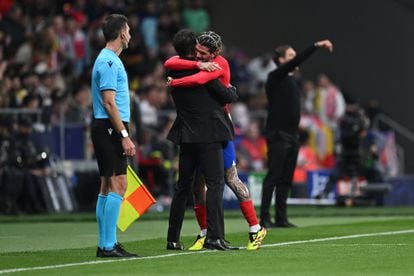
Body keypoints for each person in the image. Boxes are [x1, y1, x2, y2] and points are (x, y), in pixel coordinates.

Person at [165, 31, 266, 250]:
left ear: (214, 52)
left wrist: (176, 83)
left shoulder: (218, 63)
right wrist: (197, 66)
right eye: (197, 51)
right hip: (202, 131)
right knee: (197, 185)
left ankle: (255, 227)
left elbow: (212, 85)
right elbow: (171, 61)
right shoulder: (192, 62)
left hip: (219, 127)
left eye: (203, 53)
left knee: (230, 178)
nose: (199, 56)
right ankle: (204, 233)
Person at [260, 40, 333, 228]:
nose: (295, 59)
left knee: (286, 178)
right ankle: (264, 218)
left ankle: (281, 218)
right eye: (291, 56)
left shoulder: (291, 81)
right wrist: (315, 46)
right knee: (274, 176)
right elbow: (294, 63)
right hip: (278, 134)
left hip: (292, 136)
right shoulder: (275, 76)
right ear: (281, 60)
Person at [90, 14, 138, 258]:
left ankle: (106, 243)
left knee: (107, 184)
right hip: (109, 128)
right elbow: (109, 103)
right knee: (119, 184)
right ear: (121, 34)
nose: (130, 35)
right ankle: (107, 245)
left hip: (104, 127)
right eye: (128, 31)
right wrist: (123, 135)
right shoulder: (109, 62)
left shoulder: (106, 59)